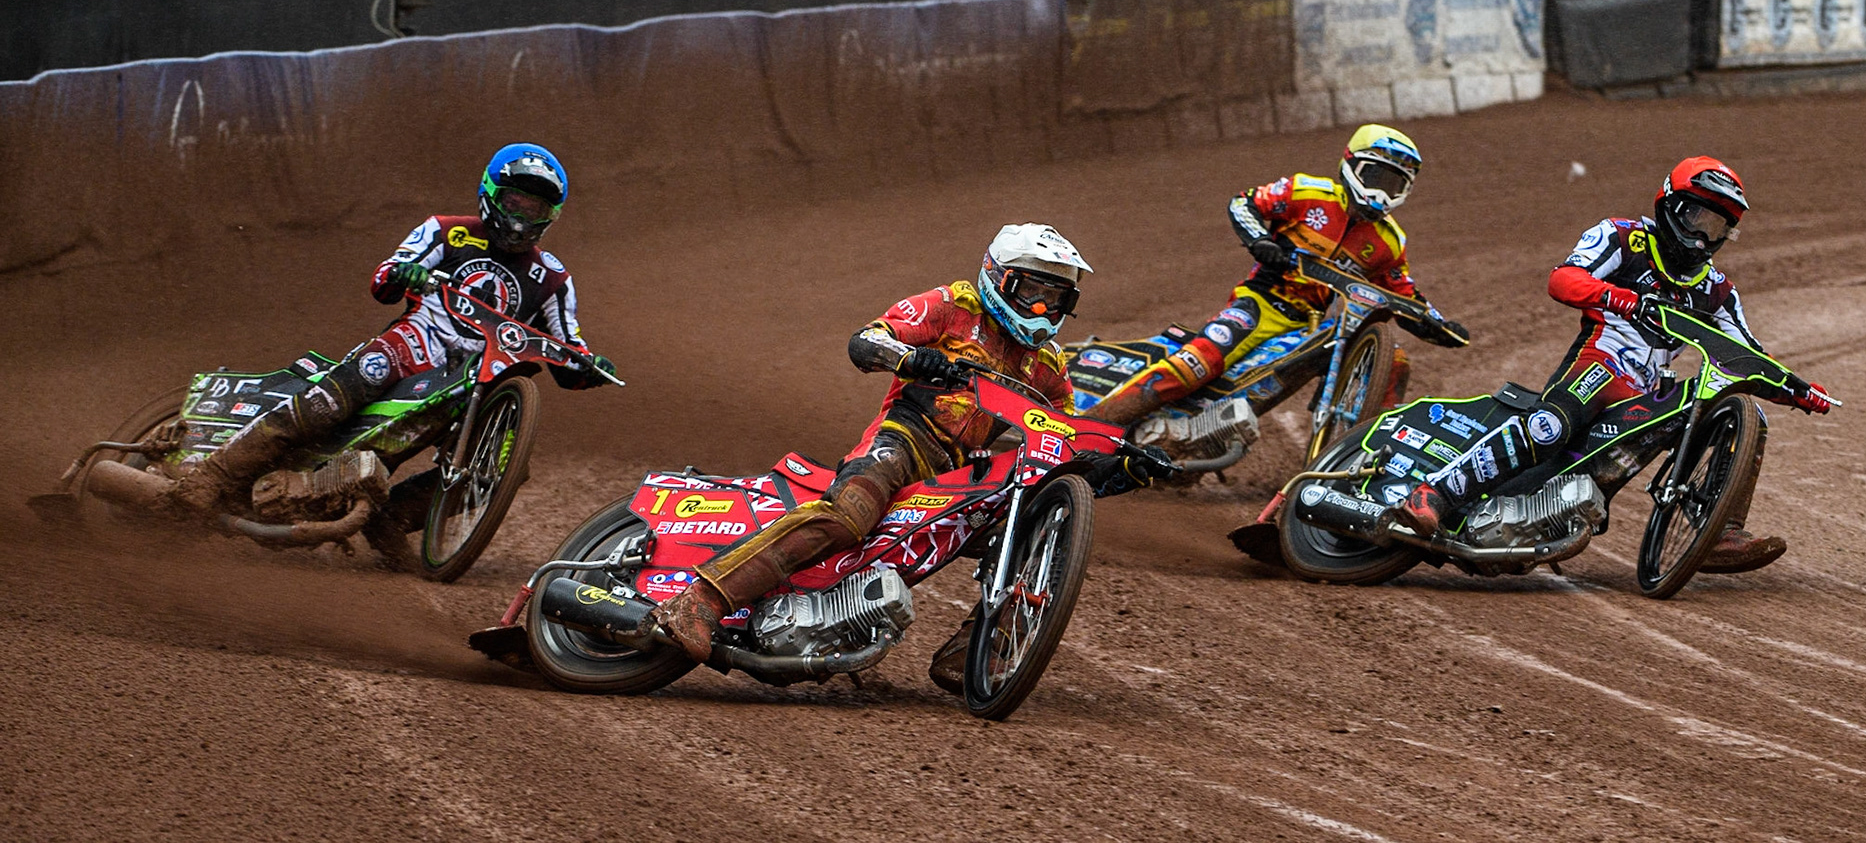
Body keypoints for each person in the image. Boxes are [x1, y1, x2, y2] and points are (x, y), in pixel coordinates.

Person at [650, 223, 1161, 691]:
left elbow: (1064, 441)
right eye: (1032, 292)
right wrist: (911, 357)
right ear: (998, 278)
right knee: (849, 515)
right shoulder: (952, 305)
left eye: (1056, 298)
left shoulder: (1047, 365)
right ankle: (701, 601)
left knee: (1034, 530)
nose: (1043, 309)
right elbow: (866, 340)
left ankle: (972, 652)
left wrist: (1120, 470)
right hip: (905, 436)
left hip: (965, 467)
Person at [1383, 156, 1829, 571]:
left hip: (1645, 392)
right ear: (1670, 205)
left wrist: (1798, 388)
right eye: (1697, 217)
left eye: (1717, 227)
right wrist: (1622, 300)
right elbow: (1563, 279)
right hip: (1600, 363)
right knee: (1549, 428)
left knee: (1729, 415)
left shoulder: (1718, 292)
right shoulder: (1621, 236)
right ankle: (1434, 494)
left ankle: (1717, 530)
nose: (1702, 236)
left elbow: (1748, 355)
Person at [170, 142, 616, 513]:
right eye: (515, 200)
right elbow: (385, 279)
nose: (521, 215)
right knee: (357, 380)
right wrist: (406, 274)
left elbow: (566, 349)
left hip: (472, 384)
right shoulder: (445, 232)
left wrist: (588, 365)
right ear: (492, 194)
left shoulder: (553, 277)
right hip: (412, 345)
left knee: (500, 467)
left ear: (550, 214)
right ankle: (215, 475)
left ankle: (389, 522)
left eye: (534, 206)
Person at [1085, 124, 1467, 428]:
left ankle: (1360, 457)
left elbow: (1403, 293)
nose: (1383, 192)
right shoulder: (1306, 192)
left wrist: (1436, 323)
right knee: (1198, 362)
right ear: (1352, 165)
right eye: (1377, 176)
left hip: (1312, 324)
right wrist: (1260, 240)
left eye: (1395, 184)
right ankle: (1090, 426)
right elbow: (1245, 202)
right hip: (1261, 302)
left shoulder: (1389, 241)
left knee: (1394, 361)